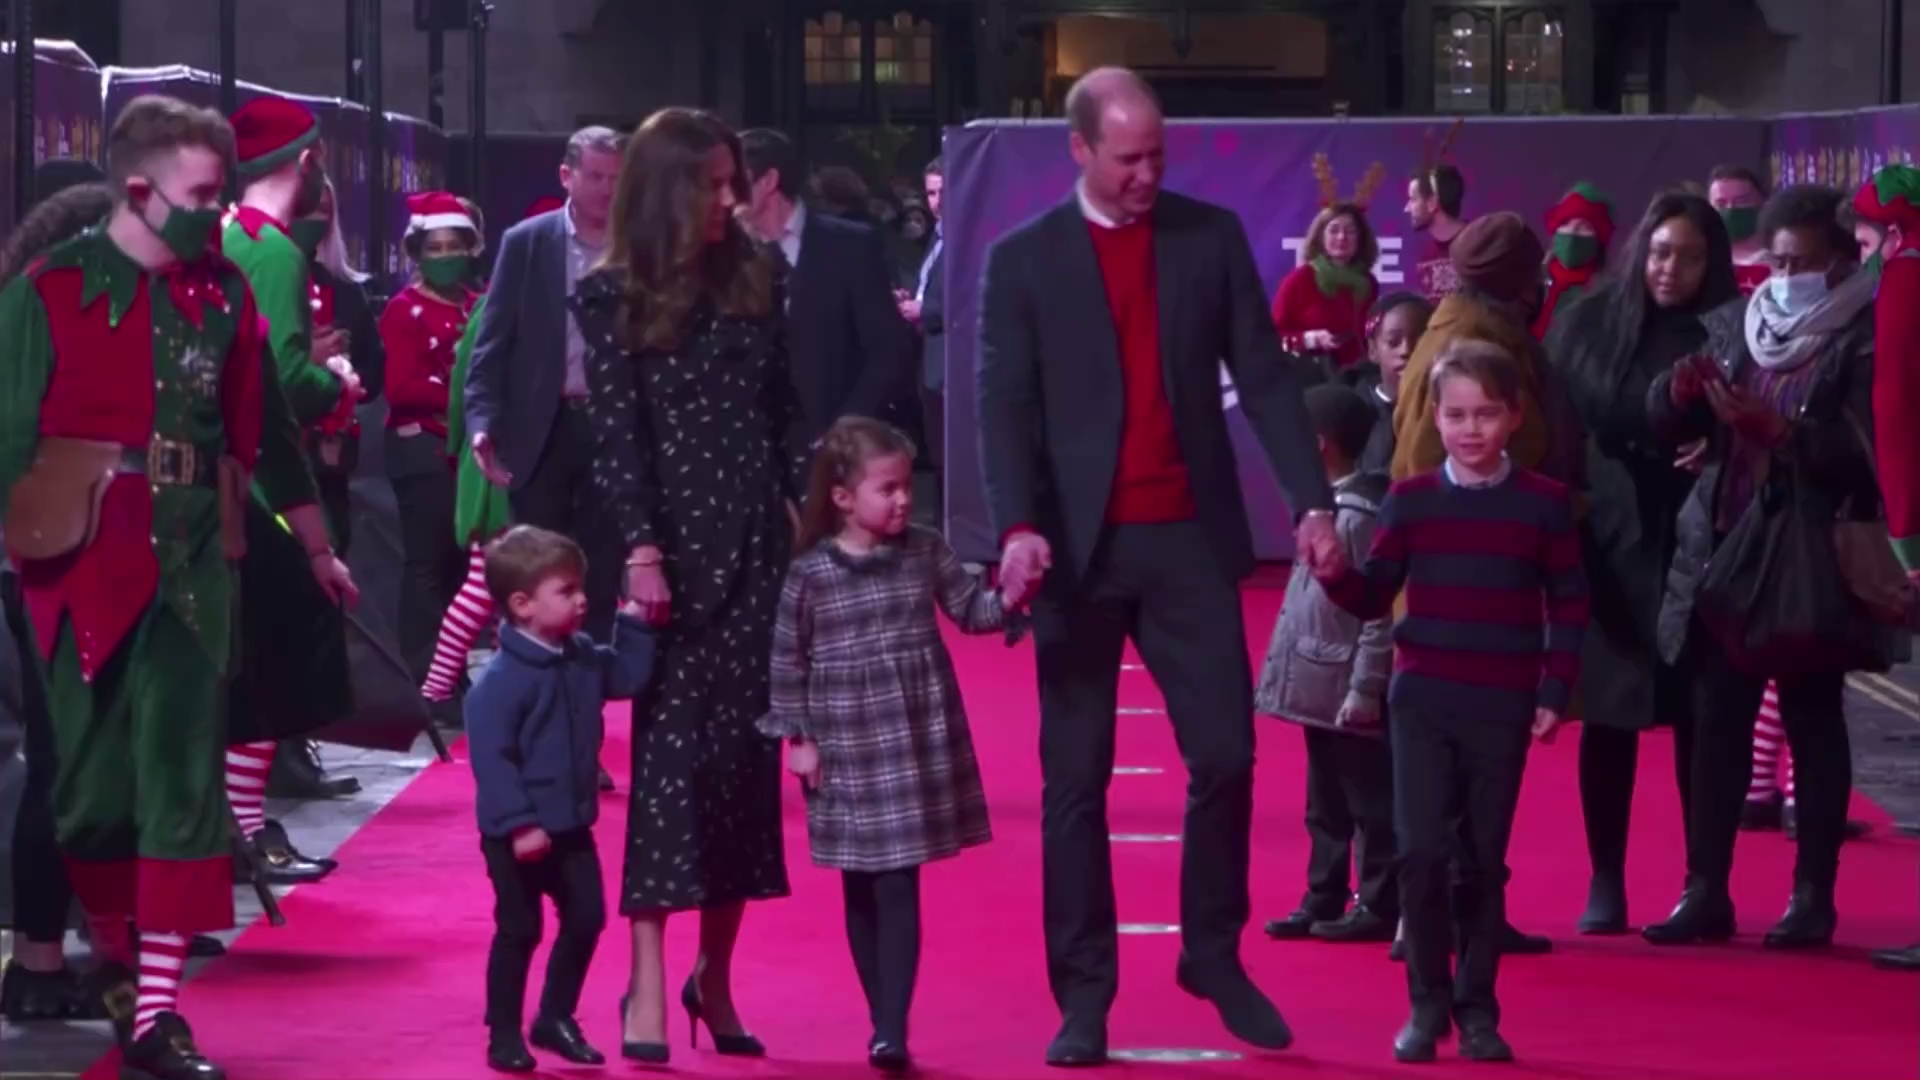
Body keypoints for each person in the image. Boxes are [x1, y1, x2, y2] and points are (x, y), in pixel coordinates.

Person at [976, 66, 1339, 1066]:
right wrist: (1017, 527)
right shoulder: (1023, 261)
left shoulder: (1208, 238)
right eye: (1128, 158)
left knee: (1226, 757)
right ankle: (1084, 995)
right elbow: (1003, 406)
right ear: (1080, 149)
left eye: (1158, 156)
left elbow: (1264, 378)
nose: (1147, 174)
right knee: (1074, 782)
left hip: (1187, 538)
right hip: (1076, 551)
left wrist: (1312, 501)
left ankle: (1210, 954)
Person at [0, 93, 355, 1080]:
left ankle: (155, 1016)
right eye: (201, 195)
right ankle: (120, 975)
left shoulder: (226, 292)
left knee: (182, 788)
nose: (216, 212)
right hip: (72, 566)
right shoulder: (46, 290)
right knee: (89, 804)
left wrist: (318, 547)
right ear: (139, 189)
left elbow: (266, 428)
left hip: (196, 567)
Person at [570, 107, 799, 1064]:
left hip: (759, 552)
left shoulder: (760, 273)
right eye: (710, 184)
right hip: (670, 564)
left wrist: (809, 523)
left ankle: (716, 976)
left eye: (732, 181)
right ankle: (648, 982)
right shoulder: (610, 294)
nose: (730, 199)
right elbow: (616, 439)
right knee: (669, 775)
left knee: (743, 770)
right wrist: (640, 552)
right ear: (666, 190)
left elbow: (784, 414)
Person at [1314, 340, 1588, 1064]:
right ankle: (1426, 1003)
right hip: (1422, 699)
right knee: (1421, 854)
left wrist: (1555, 690)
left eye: (1486, 414)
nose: (1471, 429)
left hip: (1502, 701)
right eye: (1458, 414)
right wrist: (1336, 575)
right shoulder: (1409, 501)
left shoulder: (1543, 504)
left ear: (1514, 416)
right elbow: (1374, 596)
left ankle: (1477, 1012)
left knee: (1482, 863)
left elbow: (1569, 601)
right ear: (1434, 417)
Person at [1644, 185, 1879, 949]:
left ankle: (1812, 898)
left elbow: (1871, 456)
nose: (1784, 277)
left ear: (1841, 263)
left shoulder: (1866, 337)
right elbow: (1669, 422)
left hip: (1808, 554)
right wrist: (1678, 396)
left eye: (1801, 263)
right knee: (1716, 723)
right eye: (1775, 262)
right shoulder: (1737, 323)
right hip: (1725, 545)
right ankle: (1704, 889)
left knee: (1813, 718)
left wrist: (1779, 431)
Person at [760, 417, 1009, 1073]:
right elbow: (787, 661)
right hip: (843, 743)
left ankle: (891, 1028)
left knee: (898, 879)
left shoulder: (925, 550)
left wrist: (1015, 595)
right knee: (861, 883)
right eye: (887, 489)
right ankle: (882, 1020)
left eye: (906, 487)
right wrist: (799, 740)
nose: (903, 500)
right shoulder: (810, 573)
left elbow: (972, 612)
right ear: (843, 497)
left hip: (910, 741)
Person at [1547, 193, 1738, 934]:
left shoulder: (1733, 328)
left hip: (1704, 543)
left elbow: (1767, 417)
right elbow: (1563, 427)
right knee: (1610, 714)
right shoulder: (1589, 322)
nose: (1670, 268)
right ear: (1640, 252)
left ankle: (1705, 885)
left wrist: (1721, 444)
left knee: (1703, 717)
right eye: (1660, 252)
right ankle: (1606, 881)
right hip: (1610, 539)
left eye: (1689, 256)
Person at [221, 95, 365, 873]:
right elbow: (275, 385)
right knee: (272, 667)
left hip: (226, 486)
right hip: (261, 492)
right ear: (307, 162)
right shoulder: (272, 253)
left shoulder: (228, 240)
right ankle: (246, 831)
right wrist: (337, 384)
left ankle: (238, 829)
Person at [464, 525, 656, 1073]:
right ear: (522, 605)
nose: (581, 600)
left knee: (587, 919)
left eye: (580, 588)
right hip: (517, 834)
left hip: (571, 826)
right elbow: (493, 761)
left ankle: (554, 1015)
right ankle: (504, 1032)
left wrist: (635, 622)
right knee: (520, 929)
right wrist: (519, 824)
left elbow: (625, 677)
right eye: (566, 590)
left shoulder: (580, 655)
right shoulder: (501, 681)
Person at [0, 164, 116, 1024]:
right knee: (65, 761)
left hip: (67, 559)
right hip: (52, 563)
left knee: (75, 760)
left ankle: (64, 953)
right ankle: (43, 958)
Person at [464, 126, 627, 639]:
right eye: (595, 177)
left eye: (616, 179)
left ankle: (592, 674)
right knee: (538, 572)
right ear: (566, 176)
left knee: (602, 571)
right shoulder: (527, 242)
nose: (607, 190)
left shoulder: (641, 246)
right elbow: (491, 345)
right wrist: (482, 423)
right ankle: (537, 672)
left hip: (613, 428)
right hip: (541, 429)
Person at [1256, 385, 1396, 946]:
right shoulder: (1326, 509)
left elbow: (1379, 613)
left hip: (1347, 686)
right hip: (1321, 685)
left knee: (1369, 801)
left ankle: (1379, 901)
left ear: (1316, 445)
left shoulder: (1356, 517)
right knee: (1325, 803)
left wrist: (1366, 687)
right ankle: (1324, 895)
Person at [739, 128, 918, 449]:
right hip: (750, 452)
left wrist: (846, 428)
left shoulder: (850, 245)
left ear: (768, 182)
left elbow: (889, 348)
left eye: (733, 181)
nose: (723, 195)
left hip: (833, 447)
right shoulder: (726, 253)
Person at [381, 192, 484, 688]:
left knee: (465, 566)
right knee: (429, 564)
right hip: (422, 449)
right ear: (417, 253)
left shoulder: (480, 305)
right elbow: (401, 388)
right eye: (434, 248)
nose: (445, 257)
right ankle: (425, 680)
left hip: (469, 452)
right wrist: (466, 395)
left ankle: (453, 675)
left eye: (453, 246)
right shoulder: (403, 312)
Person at [1272, 163, 1384, 373]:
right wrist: (1312, 339)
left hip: (1361, 376)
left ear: (1360, 238)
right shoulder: (1299, 280)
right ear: (1321, 236)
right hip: (1315, 378)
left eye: (1350, 231)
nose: (1342, 237)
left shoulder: (1368, 283)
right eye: (1334, 230)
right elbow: (1273, 339)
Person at [1354, 294, 1432, 476]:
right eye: (1394, 342)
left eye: (1420, 341)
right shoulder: (1355, 415)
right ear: (1373, 350)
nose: (1406, 350)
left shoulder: (1445, 410)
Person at [1533, 183, 1614, 339]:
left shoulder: (1606, 297)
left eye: (1583, 226)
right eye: (1565, 224)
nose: (1572, 233)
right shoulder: (1530, 281)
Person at [1405, 163, 1468, 302]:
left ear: (1432, 203)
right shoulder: (1424, 255)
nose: (1407, 208)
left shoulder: (1478, 245)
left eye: (1413, 199)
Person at [1708, 164, 1772, 296]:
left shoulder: (1782, 260)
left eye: (1741, 201)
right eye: (1721, 203)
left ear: (1763, 203)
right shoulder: (1703, 261)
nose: (1731, 209)